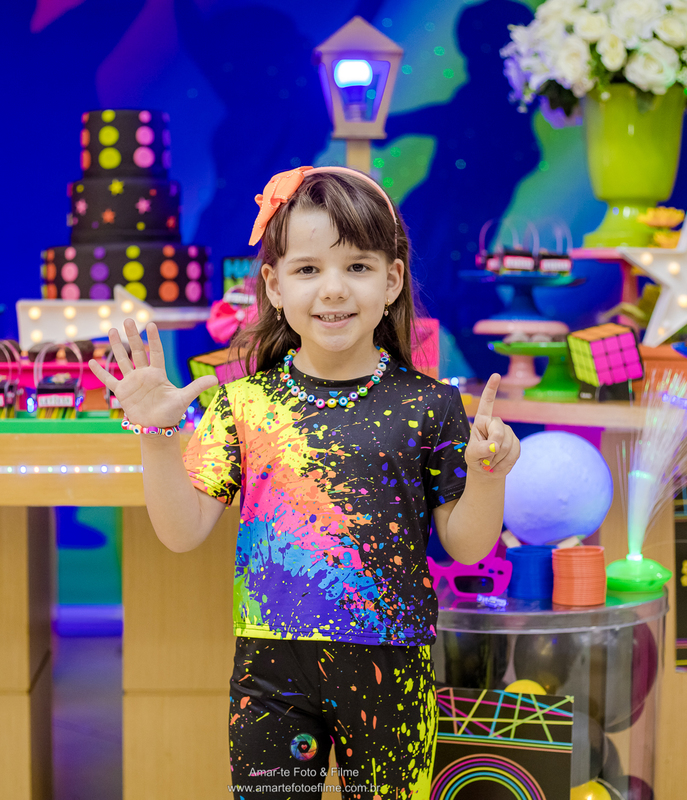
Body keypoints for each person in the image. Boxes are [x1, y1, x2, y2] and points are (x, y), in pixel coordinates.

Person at [89, 165, 520, 799]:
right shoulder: (244, 404)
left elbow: (467, 545)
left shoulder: (431, 405)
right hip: (270, 674)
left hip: (394, 670)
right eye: (309, 268)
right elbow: (182, 533)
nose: (333, 289)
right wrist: (157, 436)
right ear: (274, 284)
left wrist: (487, 477)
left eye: (358, 266)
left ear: (392, 280)